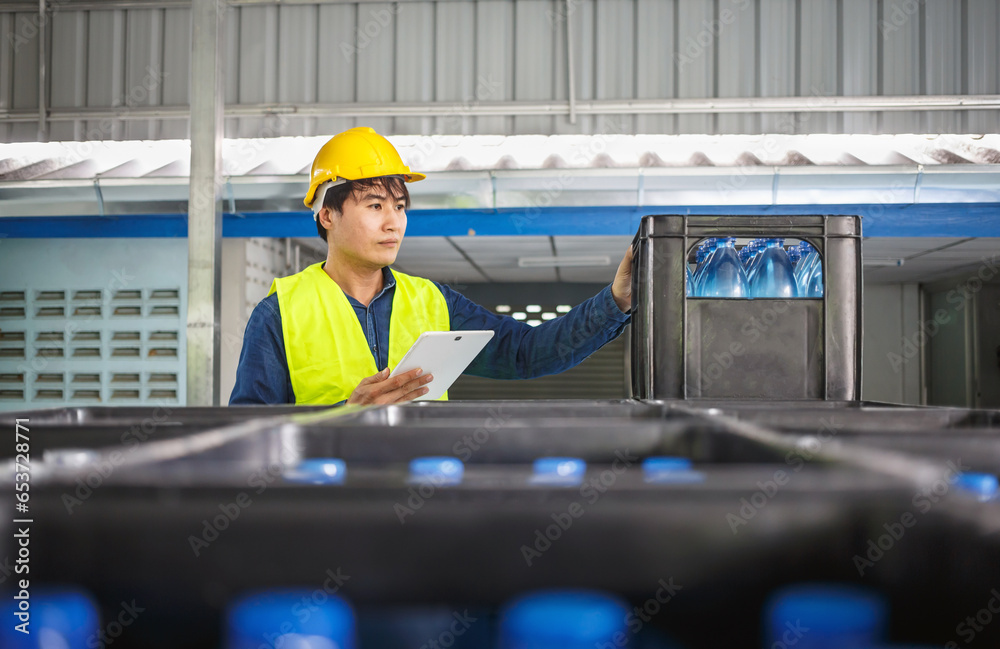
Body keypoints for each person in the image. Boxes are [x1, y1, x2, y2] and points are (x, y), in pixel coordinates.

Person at [229, 127, 634, 406]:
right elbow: (247, 433)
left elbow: (529, 353)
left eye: (400, 206)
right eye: (375, 206)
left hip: (421, 506)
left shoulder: (433, 302)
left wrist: (615, 300)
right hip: (329, 512)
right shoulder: (281, 313)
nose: (394, 222)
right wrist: (344, 413)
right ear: (327, 216)